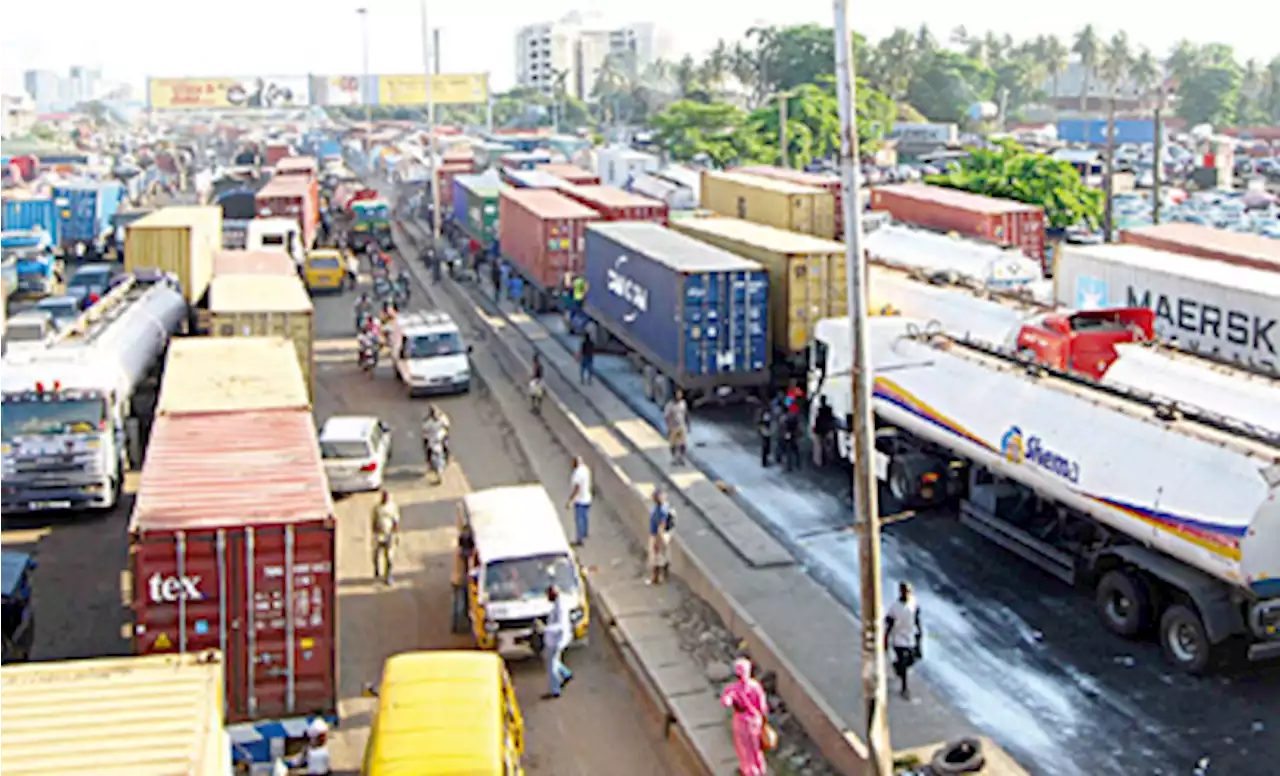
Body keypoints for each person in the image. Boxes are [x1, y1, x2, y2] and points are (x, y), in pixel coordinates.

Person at [720, 658, 769, 776]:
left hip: (741, 721)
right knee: (755, 747)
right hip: (755, 720)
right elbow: (762, 706)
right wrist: (763, 720)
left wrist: (730, 699)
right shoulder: (755, 686)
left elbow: (726, 702)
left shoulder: (732, 689)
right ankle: (759, 769)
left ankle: (749, 770)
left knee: (744, 748)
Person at [885, 581, 923, 700]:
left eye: (909, 591)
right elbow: (889, 623)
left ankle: (897, 667)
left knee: (912, 659)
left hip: (910, 636)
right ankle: (904, 688)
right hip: (898, 638)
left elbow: (916, 618)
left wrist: (920, 632)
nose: (907, 593)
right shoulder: (895, 607)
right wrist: (885, 638)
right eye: (904, 591)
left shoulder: (913, 603)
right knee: (904, 660)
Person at [540, 585, 574, 700]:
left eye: (548, 595)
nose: (547, 598)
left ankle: (556, 690)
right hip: (555, 639)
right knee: (551, 659)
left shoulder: (560, 608)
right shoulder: (559, 604)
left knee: (551, 665)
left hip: (557, 640)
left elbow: (561, 626)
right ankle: (566, 674)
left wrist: (545, 629)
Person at [451, 512, 475, 634]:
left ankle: (456, 625)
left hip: (456, 580)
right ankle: (459, 625)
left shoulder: (457, 552)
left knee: (457, 603)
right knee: (461, 604)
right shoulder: (463, 555)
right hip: (461, 581)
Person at [371, 491, 400, 585]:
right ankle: (377, 571)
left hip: (389, 534)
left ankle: (388, 576)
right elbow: (373, 521)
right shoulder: (377, 508)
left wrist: (396, 535)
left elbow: (396, 522)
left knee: (389, 557)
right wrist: (374, 534)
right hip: (379, 534)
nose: (385, 498)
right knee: (376, 555)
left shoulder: (392, 507)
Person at [647, 488, 674, 585]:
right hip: (658, 534)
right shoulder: (663, 507)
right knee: (660, 556)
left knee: (656, 558)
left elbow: (660, 526)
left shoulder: (660, 510)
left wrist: (658, 540)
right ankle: (662, 575)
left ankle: (656, 578)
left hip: (657, 535)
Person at [566, 456, 592, 545]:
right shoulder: (586, 469)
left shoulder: (578, 473)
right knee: (585, 517)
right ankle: (585, 533)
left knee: (579, 519)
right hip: (587, 498)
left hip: (580, 499)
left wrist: (571, 500)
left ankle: (580, 539)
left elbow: (577, 487)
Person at [664, 389, 690, 466]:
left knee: (683, 443)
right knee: (673, 444)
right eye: (678, 394)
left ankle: (681, 457)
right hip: (673, 427)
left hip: (682, 425)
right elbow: (667, 417)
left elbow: (686, 414)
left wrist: (688, 425)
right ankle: (674, 458)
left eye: (680, 394)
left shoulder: (683, 403)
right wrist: (669, 427)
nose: (679, 396)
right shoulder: (670, 405)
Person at [812, 396, 836, 468]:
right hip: (827, 429)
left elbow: (817, 420)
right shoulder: (829, 409)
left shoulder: (819, 410)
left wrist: (815, 429)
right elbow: (832, 418)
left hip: (820, 430)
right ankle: (829, 460)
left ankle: (819, 462)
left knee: (819, 447)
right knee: (828, 446)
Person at [757, 403, 777, 468]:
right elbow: (765, 423)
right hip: (766, 432)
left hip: (765, 432)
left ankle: (765, 461)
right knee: (766, 446)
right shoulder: (766, 415)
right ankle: (764, 462)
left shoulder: (763, 414)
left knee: (766, 446)